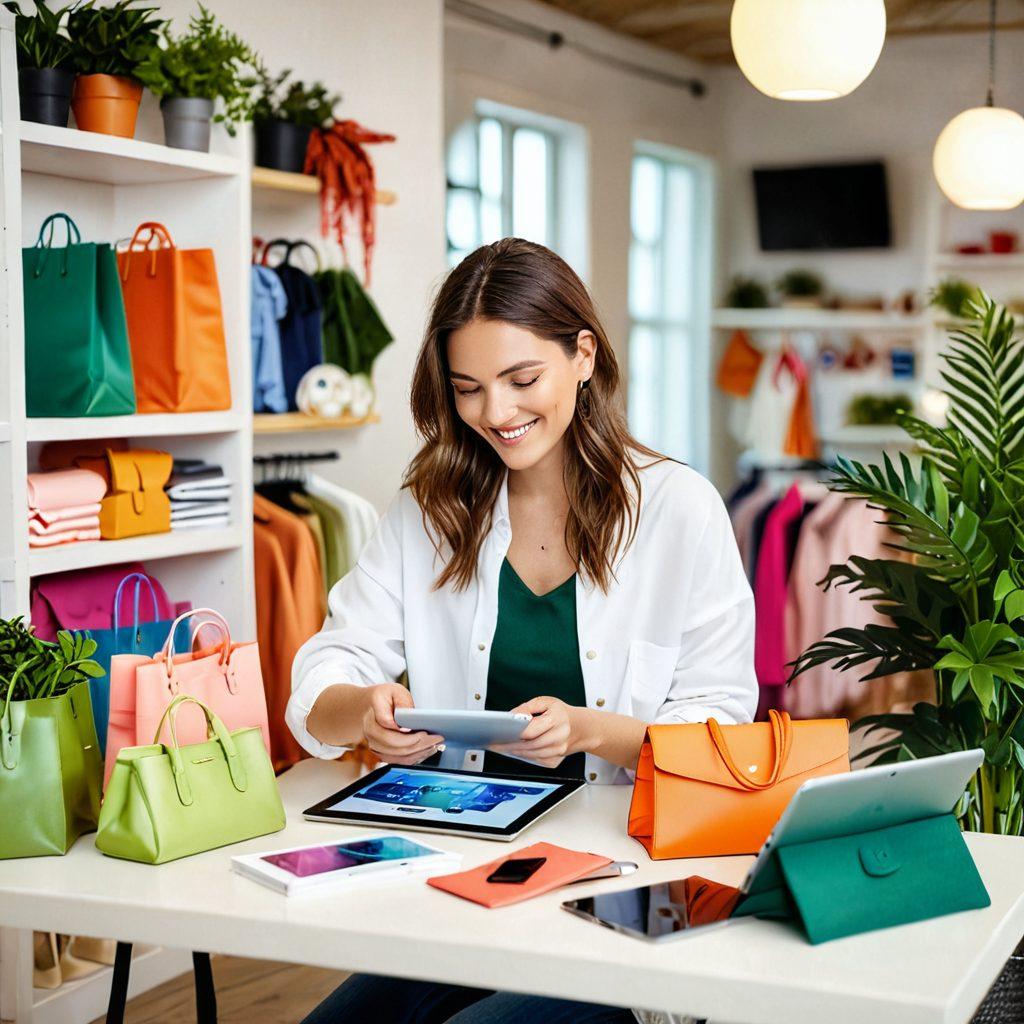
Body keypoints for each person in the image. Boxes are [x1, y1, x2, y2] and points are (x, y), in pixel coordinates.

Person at [287, 237, 757, 1024]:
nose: (496, 413)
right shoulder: (428, 510)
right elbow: (327, 672)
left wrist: (589, 730)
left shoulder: (679, 510)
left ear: (583, 355)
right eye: (468, 389)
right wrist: (363, 711)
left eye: (522, 379)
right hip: (469, 872)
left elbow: (718, 738)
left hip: (636, 889)